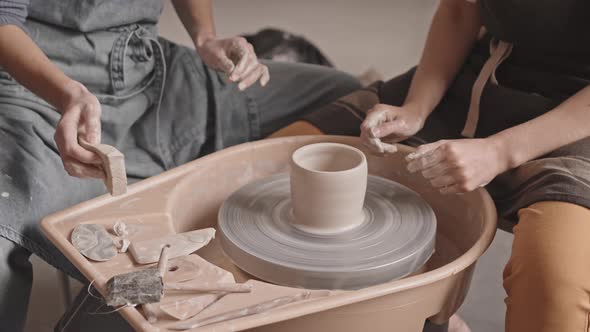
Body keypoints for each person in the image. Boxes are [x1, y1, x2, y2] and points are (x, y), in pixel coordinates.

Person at [0, 0, 360, 330]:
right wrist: (68, 94)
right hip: (38, 91)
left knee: (348, 98)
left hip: (149, 72)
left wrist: (205, 37)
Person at [281, 0, 590, 331]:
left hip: (576, 117)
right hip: (486, 73)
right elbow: (459, 9)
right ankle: (427, 313)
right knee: (280, 166)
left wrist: (498, 152)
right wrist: (417, 108)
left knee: (554, 282)